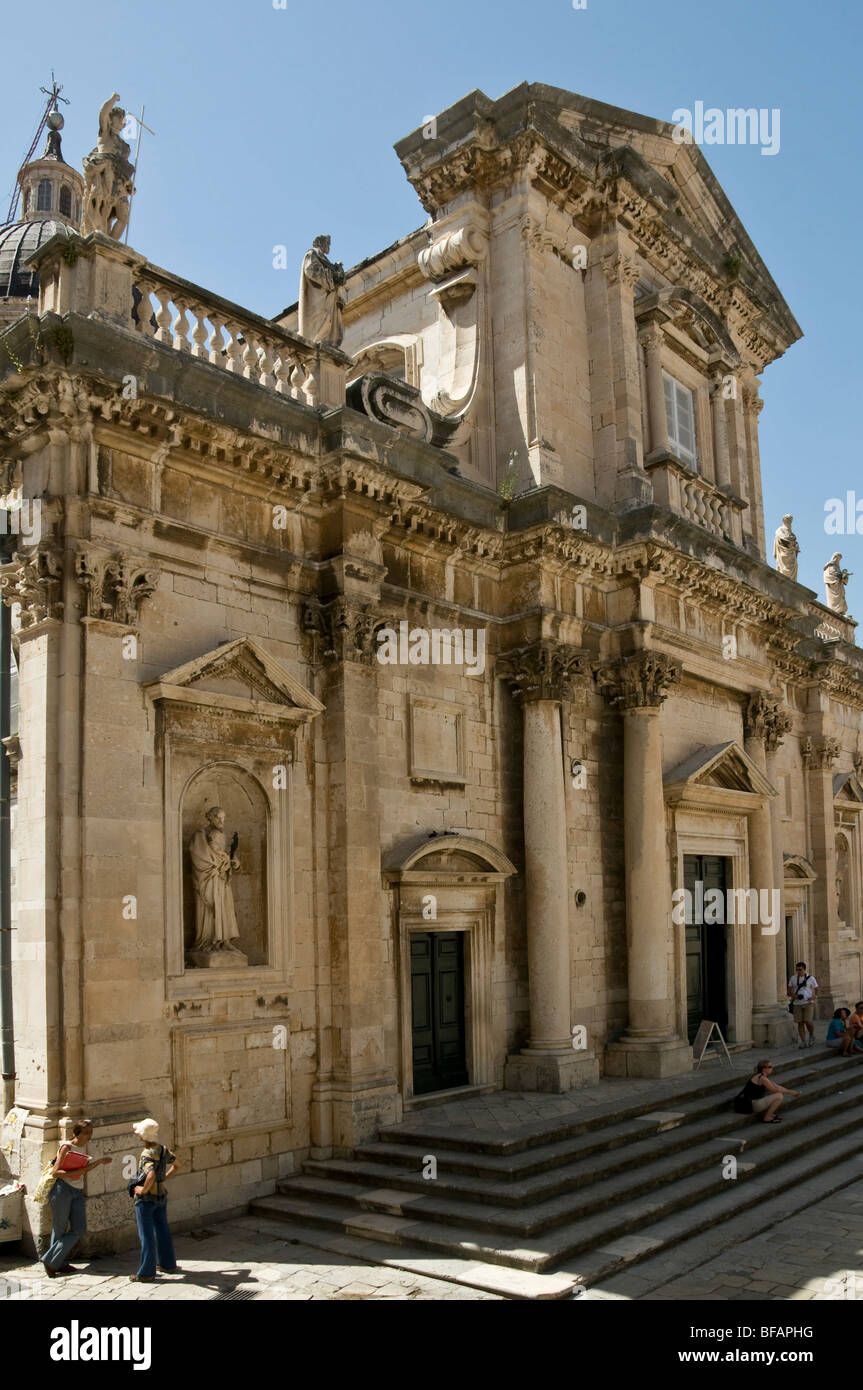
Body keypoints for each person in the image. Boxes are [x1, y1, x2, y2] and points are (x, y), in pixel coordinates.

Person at [41, 1119, 111, 1277]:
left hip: (77, 1191)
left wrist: (99, 1162)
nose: (89, 1136)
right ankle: (56, 1263)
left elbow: (83, 1170)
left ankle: (51, 1260)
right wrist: (74, 1173)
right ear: (77, 1133)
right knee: (59, 1228)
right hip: (62, 1190)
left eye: (90, 1132)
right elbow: (55, 1172)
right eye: (86, 1133)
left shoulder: (85, 1146)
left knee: (79, 1228)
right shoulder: (67, 1147)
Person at [130, 1118, 182, 1283]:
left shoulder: (146, 1154)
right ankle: (168, 1264)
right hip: (161, 1196)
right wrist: (164, 1178)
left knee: (146, 1236)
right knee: (162, 1230)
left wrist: (142, 1189)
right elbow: (178, 1164)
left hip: (146, 1200)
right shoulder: (163, 1150)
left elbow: (150, 1174)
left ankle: (146, 1273)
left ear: (142, 1136)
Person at [735, 1060, 800, 1124]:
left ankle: (770, 1114)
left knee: (777, 1093)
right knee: (779, 1096)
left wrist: (792, 1092)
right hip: (751, 1105)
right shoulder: (763, 1078)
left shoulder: (760, 1075)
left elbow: (776, 1086)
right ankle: (767, 1117)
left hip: (748, 1103)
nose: (772, 1068)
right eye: (770, 1066)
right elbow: (775, 1090)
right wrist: (791, 1092)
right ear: (764, 1068)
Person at [787, 961, 819, 1047]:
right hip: (797, 1003)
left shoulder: (811, 978)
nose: (798, 971)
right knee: (800, 1023)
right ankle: (803, 1041)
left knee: (808, 1021)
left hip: (808, 1003)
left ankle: (812, 1036)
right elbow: (789, 989)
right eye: (797, 970)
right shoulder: (793, 978)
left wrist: (814, 997)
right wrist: (793, 995)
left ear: (804, 969)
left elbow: (816, 988)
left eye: (800, 970)